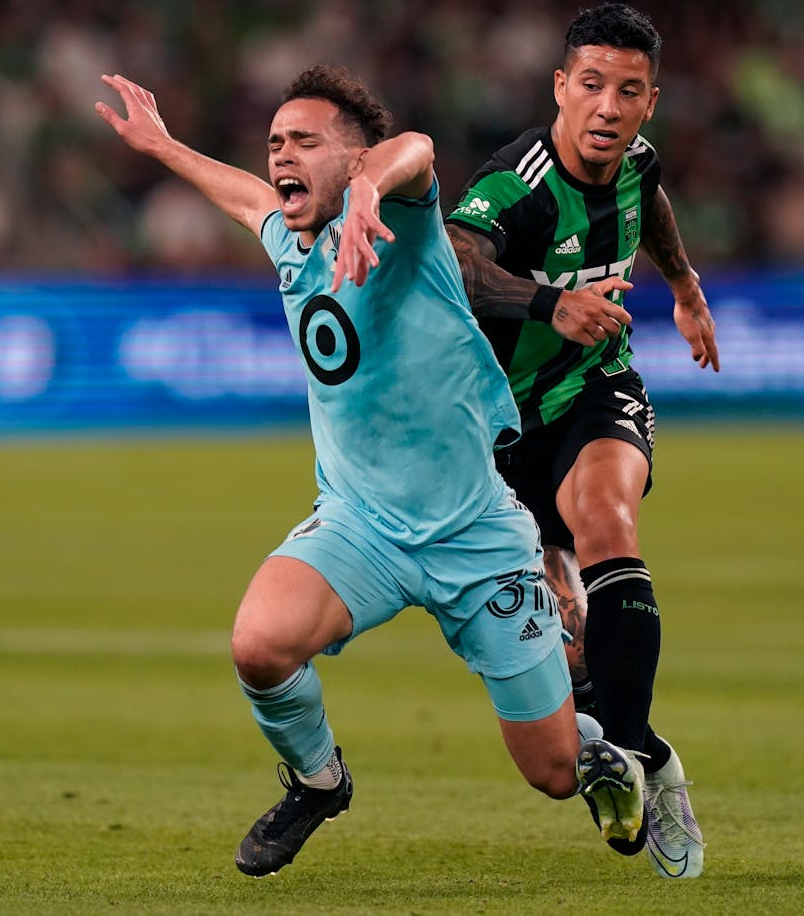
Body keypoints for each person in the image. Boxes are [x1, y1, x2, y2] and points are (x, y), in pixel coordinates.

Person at [96, 64, 645, 878]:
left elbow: (416, 149)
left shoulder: (408, 221)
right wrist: (165, 145)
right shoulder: (290, 236)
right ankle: (319, 779)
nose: (282, 153)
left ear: (354, 160)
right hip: (361, 524)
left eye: (304, 140)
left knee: (552, 772)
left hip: (475, 533)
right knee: (258, 645)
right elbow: (246, 196)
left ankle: (596, 745)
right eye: (276, 140)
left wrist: (367, 195)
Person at [445, 3, 719, 879]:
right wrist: (545, 300)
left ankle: (632, 763)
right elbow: (449, 256)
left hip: (593, 391)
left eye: (628, 91)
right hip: (496, 426)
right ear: (561, 87)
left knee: (609, 521)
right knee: (568, 657)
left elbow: (654, 199)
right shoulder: (520, 182)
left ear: (650, 102)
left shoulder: (637, 161)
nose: (607, 106)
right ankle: (651, 751)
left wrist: (682, 283)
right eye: (591, 85)